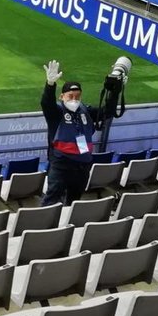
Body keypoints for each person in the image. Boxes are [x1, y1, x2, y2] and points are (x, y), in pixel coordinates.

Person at [40, 60, 121, 206]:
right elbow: (47, 104)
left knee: (74, 200)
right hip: (61, 163)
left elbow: (107, 112)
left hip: (83, 164)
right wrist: (50, 85)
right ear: (62, 97)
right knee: (52, 198)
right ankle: (44, 226)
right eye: (70, 96)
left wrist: (115, 91)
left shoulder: (85, 110)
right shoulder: (57, 112)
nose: (74, 99)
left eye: (77, 96)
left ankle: (68, 225)